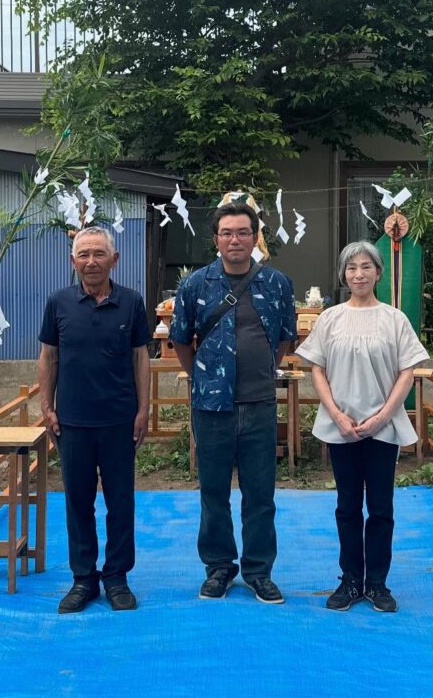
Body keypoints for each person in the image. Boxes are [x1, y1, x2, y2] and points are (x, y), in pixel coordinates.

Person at [170, 201, 296, 604]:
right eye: (227, 233)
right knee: (213, 492)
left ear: (255, 236)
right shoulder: (196, 285)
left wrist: (259, 372)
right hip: (211, 406)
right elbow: (179, 338)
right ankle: (219, 568)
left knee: (261, 494)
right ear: (216, 240)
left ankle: (259, 571)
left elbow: (285, 340)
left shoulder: (277, 283)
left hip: (259, 403)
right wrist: (204, 376)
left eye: (243, 232)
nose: (235, 240)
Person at [295, 241, 428, 613]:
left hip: (382, 429)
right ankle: (350, 581)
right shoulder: (331, 318)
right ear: (343, 274)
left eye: (366, 267)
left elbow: (408, 371)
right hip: (343, 428)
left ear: (378, 273)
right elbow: (316, 368)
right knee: (347, 506)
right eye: (351, 268)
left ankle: (378, 584)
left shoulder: (394, 319)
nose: (358, 274)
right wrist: (337, 414)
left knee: (381, 507)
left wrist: (383, 416)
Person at [38, 226, 151, 613]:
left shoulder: (132, 303)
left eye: (99, 254)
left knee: (121, 502)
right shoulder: (58, 303)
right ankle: (83, 579)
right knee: (78, 502)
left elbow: (140, 358)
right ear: (73, 262)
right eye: (83, 255)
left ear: (114, 260)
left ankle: (117, 577)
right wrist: (47, 406)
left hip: (120, 419)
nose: (91, 261)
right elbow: (48, 356)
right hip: (73, 422)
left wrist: (143, 409)